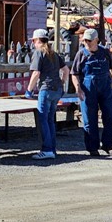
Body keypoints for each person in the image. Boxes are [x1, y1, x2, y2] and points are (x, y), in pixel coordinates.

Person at [70, 27, 112, 156]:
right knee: (90, 119)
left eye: (89, 40)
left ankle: (108, 145)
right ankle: (92, 148)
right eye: (85, 40)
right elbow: (74, 73)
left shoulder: (105, 53)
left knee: (109, 116)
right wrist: (78, 88)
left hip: (105, 88)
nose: (87, 43)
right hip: (88, 90)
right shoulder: (81, 54)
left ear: (96, 40)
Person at [24, 28, 69, 160]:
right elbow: (66, 70)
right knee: (50, 120)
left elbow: (36, 73)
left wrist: (29, 90)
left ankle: (47, 149)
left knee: (43, 119)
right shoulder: (54, 53)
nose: (33, 43)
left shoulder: (39, 53)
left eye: (33, 40)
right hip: (57, 90)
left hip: (46, 88)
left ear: (37, 40)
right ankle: (52, 149)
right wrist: (61, 82)